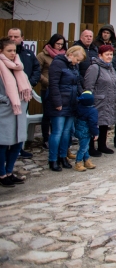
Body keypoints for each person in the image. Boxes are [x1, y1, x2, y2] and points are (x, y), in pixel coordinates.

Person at [0, 37, 32, 187]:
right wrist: (5, 100)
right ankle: (1, 174)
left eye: (14, 50)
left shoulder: (17, 65)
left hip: (19, 111)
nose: (13, 53)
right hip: (5, 111)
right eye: (9, 51)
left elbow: (25, 83)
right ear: (1, 51)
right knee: (2, 144)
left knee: (17, 144)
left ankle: (9, 171)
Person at [47, 46, 85, 171]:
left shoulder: (74, 66)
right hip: (60, 103)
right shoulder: (57, 64)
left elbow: (78, 82)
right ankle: (53, 159)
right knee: (57, 132)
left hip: (72, 102)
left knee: (67, 132)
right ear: (71, 54)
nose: (77, 63)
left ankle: (63, 156)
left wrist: (83, 95)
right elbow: (53, 84)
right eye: (77, 60)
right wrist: (57, 102)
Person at [7, 28, 41, 159]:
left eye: (16, 36)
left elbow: (36, 69)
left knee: (20, 124)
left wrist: (29, 84)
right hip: (7, 96)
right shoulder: (3, 55)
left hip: (23, 95)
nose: (13, 39)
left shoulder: (28, 53)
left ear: (22, 38)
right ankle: (7, 148)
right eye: (10, 36)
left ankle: (19, 149)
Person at [84, 45, 116, 156]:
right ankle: (91, 147)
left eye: (111, 54)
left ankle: (102, 145)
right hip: (98, 100)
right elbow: (88, 85)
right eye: (107, 54)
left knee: (104, 124)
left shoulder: (111, 68)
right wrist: (88, 100)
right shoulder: (95, 68)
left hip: (109, 101)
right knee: (94, 123)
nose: (109, 57)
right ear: (100, 55)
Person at [36, 34, 67, 149]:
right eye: (57, 44)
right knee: (48, 114)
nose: (59, 46)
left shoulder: (65, 55)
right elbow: (37, 72)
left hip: (61, 89)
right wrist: (48, 82)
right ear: (52, 42)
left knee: (59, 114)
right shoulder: (42, 55)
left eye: (62, 44)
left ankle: (57, 137)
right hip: (47, 88)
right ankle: (46, 138)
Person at [72, 91, 98, 172]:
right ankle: (78, 162)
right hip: (86, 132)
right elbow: (93, 124)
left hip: (78, 130)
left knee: (85, 147)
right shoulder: (92, 111)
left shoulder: (79, 107)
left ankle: (86, 160)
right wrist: (96, 133)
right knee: (83, 148)